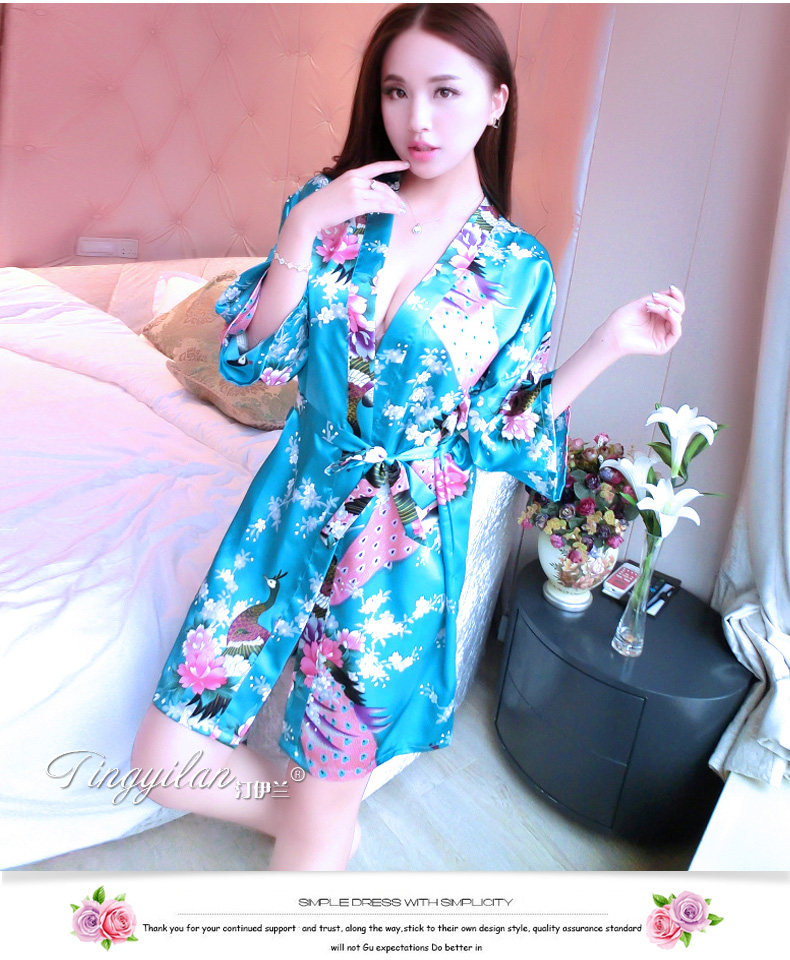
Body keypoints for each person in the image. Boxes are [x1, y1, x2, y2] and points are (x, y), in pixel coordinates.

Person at [132, 2, 684, 871]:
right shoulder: (332, 212)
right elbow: (255, 358)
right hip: (290, 505)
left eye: (445, 91)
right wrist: (302, 230)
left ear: (496, 101)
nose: (417, 118)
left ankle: (320, 824)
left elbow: (501, 427)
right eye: (396, 91)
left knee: (320, 812)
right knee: (161, 764)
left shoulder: (518, 267)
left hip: (400, 547)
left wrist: (610, 345)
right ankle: (318, 819)